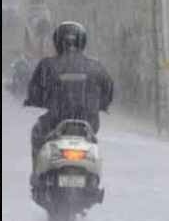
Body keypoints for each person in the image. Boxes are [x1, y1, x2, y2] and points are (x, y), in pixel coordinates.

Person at [24, 21, 114, 177]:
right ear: (82, 41)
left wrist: (34, 101)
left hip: (55, 120)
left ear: (58, 41)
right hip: (89, 122)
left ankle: (36, 174)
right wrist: (102, 105)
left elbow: (35, 91)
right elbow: (109, 89)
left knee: (37, 132)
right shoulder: (95, 66)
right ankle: (93, 175)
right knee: (92, 141)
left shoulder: (47, 65)